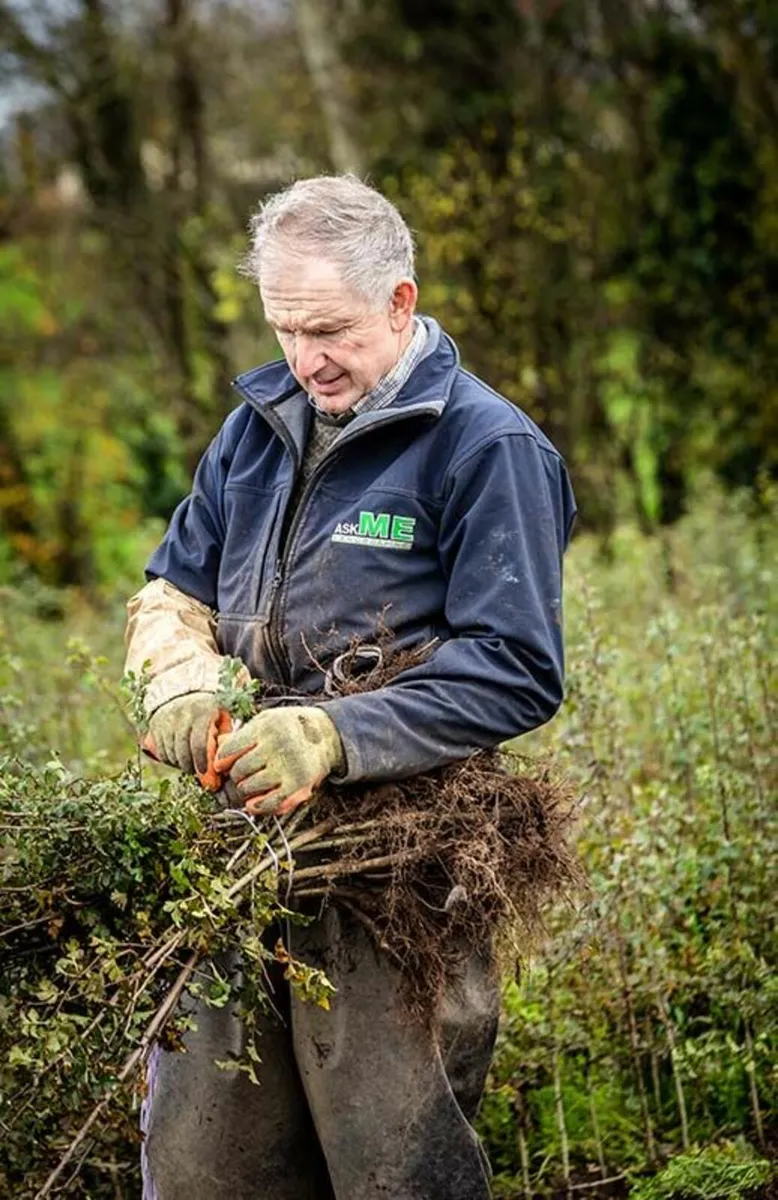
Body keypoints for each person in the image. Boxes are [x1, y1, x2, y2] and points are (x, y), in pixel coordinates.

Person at [125, 174, 576, 1200]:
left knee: (390, 1169)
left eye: (327, 329)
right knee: (202, 1167)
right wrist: (179, 686)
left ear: (400, 302)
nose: (304, 358)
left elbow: (516, 667)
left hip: (396, 869)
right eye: (284, 329)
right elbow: (172, 591)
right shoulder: (256, 429)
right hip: (239, 858)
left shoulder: (487, 446)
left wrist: (333, 736)